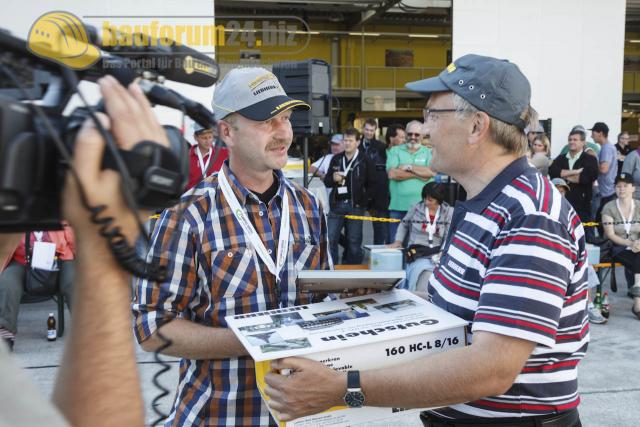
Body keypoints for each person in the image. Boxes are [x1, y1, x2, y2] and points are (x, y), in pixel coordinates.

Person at [264, 54, 587, 427]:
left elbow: (491, 369)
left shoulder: (529, 216)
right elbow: (464, 311)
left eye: (433, 114)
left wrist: (342, 388)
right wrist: (388, 301)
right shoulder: (484, 203)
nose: (425, 128)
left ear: (476, 126)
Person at [133, 67, 331, 426]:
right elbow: (151, 327)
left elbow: (322, 299)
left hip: (304, 414)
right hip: (222, 414)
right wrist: (254, 342)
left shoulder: (309, 206)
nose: (283, 132)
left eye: (285, 118)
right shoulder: (188, 215)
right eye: (267, 121)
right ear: (227, 131)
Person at [1, 74, 164, 426]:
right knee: (10, 282)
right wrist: (108, 250)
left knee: (70, 279)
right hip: (27, 260)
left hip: (59, 260)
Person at [0, 226, 75, 349]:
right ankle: (5, 333)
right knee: (7, 283)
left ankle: (87, 329)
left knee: (74, 282)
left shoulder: (56, 209)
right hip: (23, 260)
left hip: (60, 258)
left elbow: (72, 236)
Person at [387, 183, 453, 292]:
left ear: (439, 200)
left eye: (430, 200)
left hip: (435, 253)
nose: (426, 202)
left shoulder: (448, 212)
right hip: (416, 252)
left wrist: (443, 251)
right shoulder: (416, 208)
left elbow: (448, 236)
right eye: (425, 198)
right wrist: (398, 241)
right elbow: (404, 225)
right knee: (417, 271)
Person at [325, 128, 376, 264]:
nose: (347, 143)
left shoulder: (365, 160)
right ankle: (332, 271)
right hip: (337, 206)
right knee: (330, 238)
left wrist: (363, 203)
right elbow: (327, 182)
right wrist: (332, 178)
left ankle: (353, 273)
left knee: (354, 241)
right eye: (345, 140)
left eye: (350, 140)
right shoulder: (336, 159)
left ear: (358, 142)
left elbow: (372, 184)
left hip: (355, 206)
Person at [386, 120, 436, 240]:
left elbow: (431, 172)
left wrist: (409, 167)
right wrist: (419, 175)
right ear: (406, 134)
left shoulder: (429, 152)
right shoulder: (395, 151)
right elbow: (392, 174)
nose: (413, 137)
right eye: (410, 134)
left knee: (418, 246)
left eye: (417, 134)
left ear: (422, 136)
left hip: (422, 208)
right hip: (397, 208)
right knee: (396, 247)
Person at [549, 127, 599, 243]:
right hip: (562, 204)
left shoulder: (590, 159)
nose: (572, 142)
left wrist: (564, 175)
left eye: (575, 139)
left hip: (583, 204)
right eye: (570, 139)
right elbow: (553, 172)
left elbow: (587, 177)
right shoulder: (561, 158)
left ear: (583, 142)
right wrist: (575, 172)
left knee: (585, 237)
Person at [601, 173, 640, 319]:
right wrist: (630, 243)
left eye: (625, 186)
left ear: (633, 188)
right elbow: (610, 234)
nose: (622, 189)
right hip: (618, 247)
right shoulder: (609, 207)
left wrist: (638, 243)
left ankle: (637, 291)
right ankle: (637, 304)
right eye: (618, 186)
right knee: (638, 259)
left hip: (638, 245)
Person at [360, 118, 390, 245]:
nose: (369, 132)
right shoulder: (355, 144)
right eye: (367, 129)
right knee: (353, 228)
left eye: (371, 130)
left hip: (377, 192)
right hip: (358, 189)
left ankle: (377, 253)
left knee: (379, 227)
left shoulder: (381, 147)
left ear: (375, 131)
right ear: (362, 129)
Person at [591, 122, 617, 236]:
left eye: (593, 133)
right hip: (608, 190)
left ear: (600, 133)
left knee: (600, 220)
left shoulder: (606, 148)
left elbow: (604, 169)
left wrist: (592, 160)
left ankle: (605, 245)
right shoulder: (608, 147)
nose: (591, 136)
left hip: (607, 192)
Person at [186, 122, 229, 190]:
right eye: (204, 138)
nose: (208, 141)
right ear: (195, 137)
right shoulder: (186, 156)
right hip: (191, 198)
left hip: (214, 198)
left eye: (210, 137)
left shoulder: (223, 153)